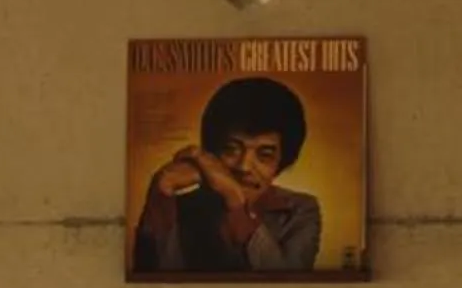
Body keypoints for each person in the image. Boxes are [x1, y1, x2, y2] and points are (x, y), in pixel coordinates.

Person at [132, 76, 322, 274]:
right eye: (231, 149)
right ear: (212, 152)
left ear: (282, 161)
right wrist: (161, 189)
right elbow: (152, 286)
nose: (244, 167)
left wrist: (236, 202)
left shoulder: (300, 210)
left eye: (264, 155)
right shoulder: (180, 207)